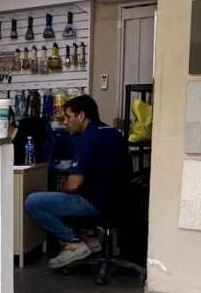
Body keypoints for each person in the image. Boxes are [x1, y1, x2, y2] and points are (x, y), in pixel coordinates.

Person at [24, 95, 129, 269]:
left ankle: (73, 243)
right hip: (118, 201)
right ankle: (92, 238)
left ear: (81, 116)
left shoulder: (88, 138)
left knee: (33, 201)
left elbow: (73, 185)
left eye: (68, 116)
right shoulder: (112, 132)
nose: (65, 122)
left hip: (94, 202)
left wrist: (62, 189)